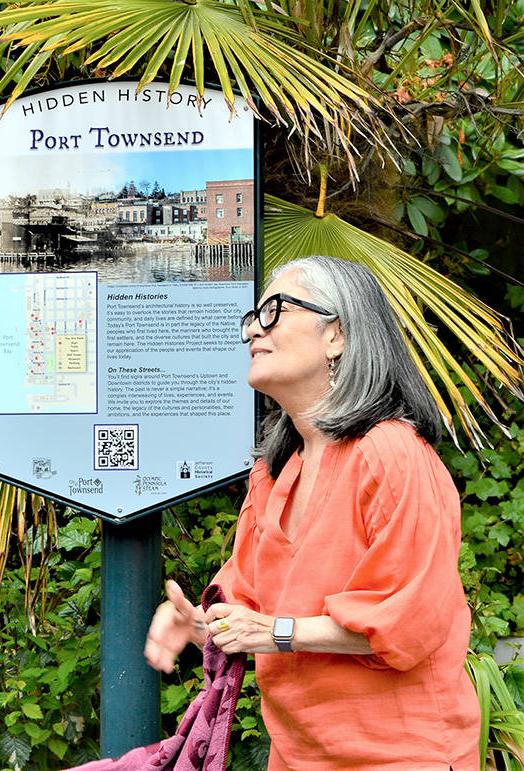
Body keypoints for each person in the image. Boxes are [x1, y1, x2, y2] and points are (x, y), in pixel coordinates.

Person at [144, 255, 480, 770]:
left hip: (401, 756)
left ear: (337, 336)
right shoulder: (275, 472)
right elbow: (249, 610)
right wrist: (200, 627)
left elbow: (412, 621)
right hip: (296, 756)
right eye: (251, 317)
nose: (252, 329)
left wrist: (276, 632)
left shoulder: (391, 452)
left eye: (274, 310)